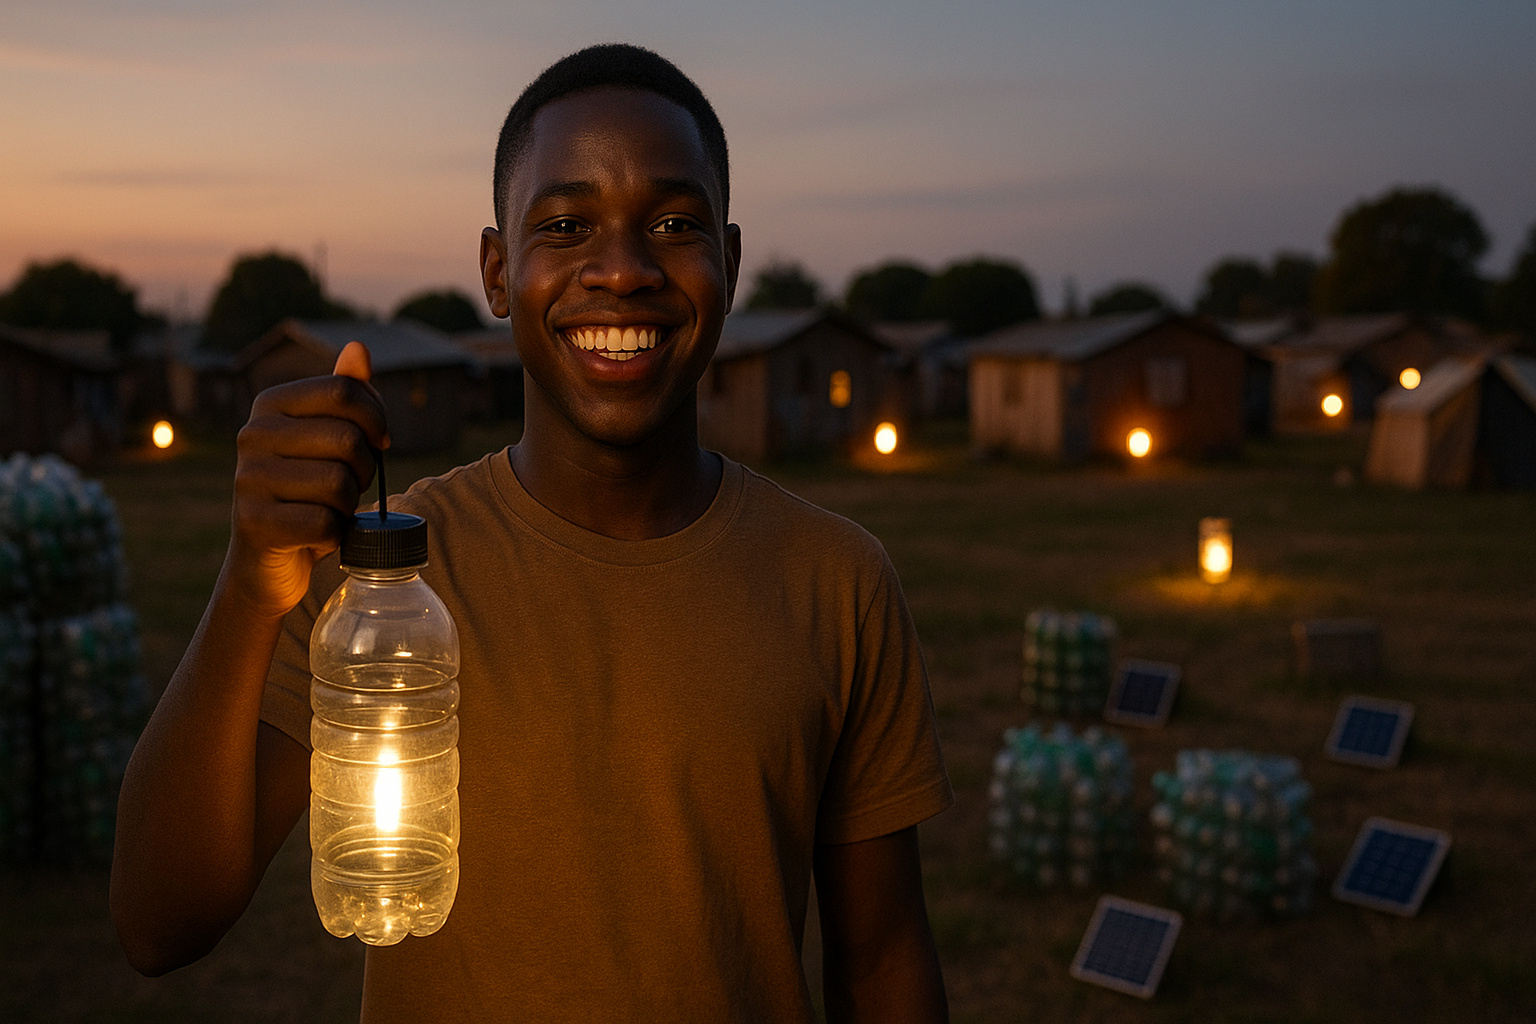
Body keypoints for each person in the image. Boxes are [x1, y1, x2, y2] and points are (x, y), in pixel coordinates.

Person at [111, 43, 952, 1022]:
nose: (623, 269)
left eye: (674, 225)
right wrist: (250, 581)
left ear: (728, 263)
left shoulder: (837, 580)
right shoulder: (373, 587)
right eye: (565, 225)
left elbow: (883, 959)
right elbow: (159, 924)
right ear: (498, 271)